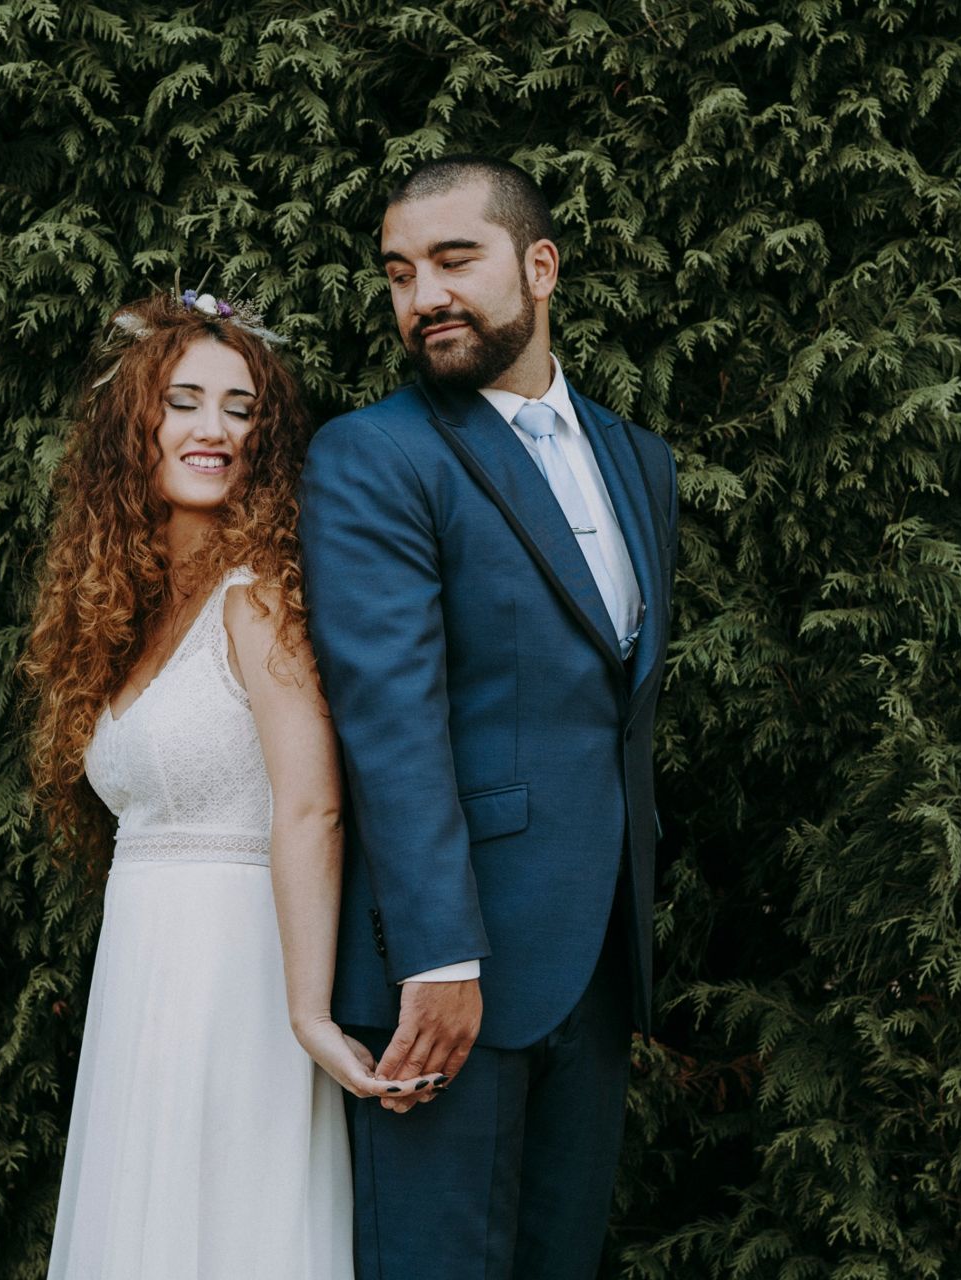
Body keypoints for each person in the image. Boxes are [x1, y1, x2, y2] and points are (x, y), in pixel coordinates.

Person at [299, 156, 681, 1278]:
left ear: (541, 264)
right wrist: (439, 952)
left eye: (455, 259)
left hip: (601, 960)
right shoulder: (374, 455)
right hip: (443, 982)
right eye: (400, 272)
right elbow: (391, 717)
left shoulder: (639, 460)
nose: (426, 296)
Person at [20, 291, 420, 1279]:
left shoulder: (258, 594)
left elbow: (312, 801)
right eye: (185, 400)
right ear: (134, 427)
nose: (213, 429)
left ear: (265, 436)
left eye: (240, 408)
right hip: (142, 976)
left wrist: (308, 1012)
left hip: (244, 975)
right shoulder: (127, 615)